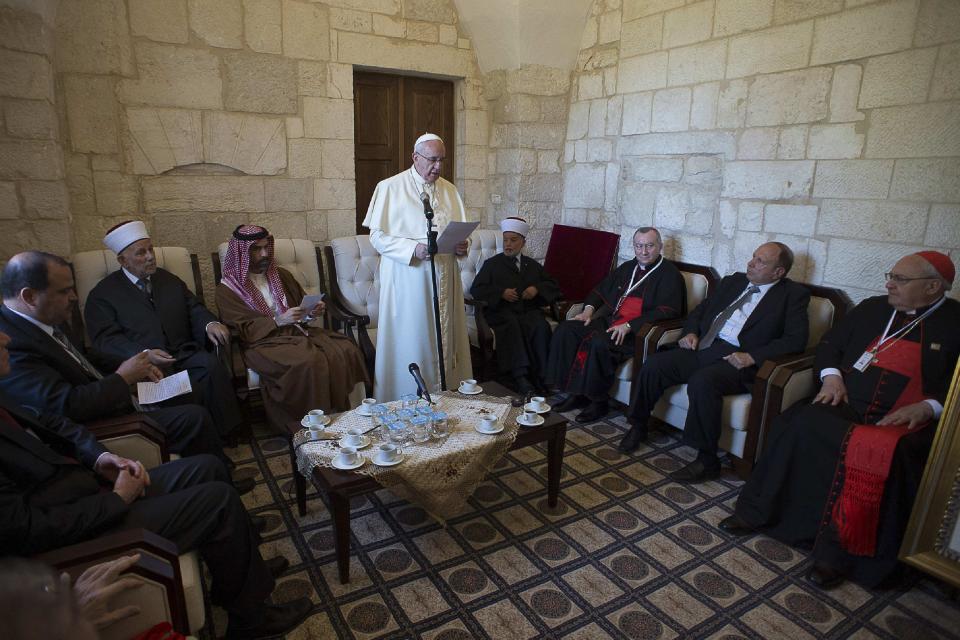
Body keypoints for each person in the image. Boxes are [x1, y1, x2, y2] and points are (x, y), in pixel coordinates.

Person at [0, 331, 310, 638]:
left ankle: (238, 575)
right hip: (81, 529)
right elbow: (24, 530)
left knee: (208, 467)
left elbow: (55, 424)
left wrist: (101, 457)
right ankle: (251, 620)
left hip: (90, 487)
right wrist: (118, 500)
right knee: (218, 502)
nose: (6, 338)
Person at [720, 251, 960, 590]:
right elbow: (830, 346)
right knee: (800, 422)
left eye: (900, 279)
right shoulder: (873, 308)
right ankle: (760, 514)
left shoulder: (955, 324)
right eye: (890, 275)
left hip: (906, 422)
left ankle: (839, 555)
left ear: (934, 286)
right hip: (848, 401)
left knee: (890, 457)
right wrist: (831, 377)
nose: (889, 283)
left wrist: (930, 407)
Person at [0, 251, 233, 467]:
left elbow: (84, 357)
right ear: (29, 296)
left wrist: (138, 364)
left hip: (157, 364)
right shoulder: (12, 343)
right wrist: (124, 377)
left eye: (150, 248)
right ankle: (210, 476)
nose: (73, 297)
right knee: (194, 417)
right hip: (95, 424)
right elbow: (65, 406)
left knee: (193, 390)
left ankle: (213, 462)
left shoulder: (47, 315)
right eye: (64, 291)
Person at [621, 242, 811, 481]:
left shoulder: (793, 296)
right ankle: (639, 424)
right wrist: (690, 332)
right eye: (753, 256)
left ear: (779, 272)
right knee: (655, 364)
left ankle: (706, 460)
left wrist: (753, 356)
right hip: (704, 345)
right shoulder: (734, 281)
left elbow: (795, 340)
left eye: (761, 261)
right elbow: (700, 312)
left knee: (703, 382)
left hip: (739, 358)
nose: (751, 263)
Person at [84, 220, 243, 439]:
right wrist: (143, 355)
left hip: (183, 353)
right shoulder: (102, 295)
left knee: (211, 365)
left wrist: (210, 324)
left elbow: (194, 308)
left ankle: (230, 434)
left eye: (150, 249)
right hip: (146, 367)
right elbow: (105, 340)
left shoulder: (168, 280)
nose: (150, 256)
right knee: (190, 390)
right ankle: (202, 442)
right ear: (123, 260)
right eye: (141, 253)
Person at [216, 225, 369, 427]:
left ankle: (349, 414)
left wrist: (311, 312)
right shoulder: (227, 289)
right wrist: (279, 320)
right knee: (308, 361)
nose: (264, 254)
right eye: (256, 249)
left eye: (265, 248)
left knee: (346, 348)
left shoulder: (281, 275)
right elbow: (243, 330)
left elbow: (299, 311)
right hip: (261, 344)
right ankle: (310, 423)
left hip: (297, 333)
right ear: (241, 253)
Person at [362, 133, 473, 401]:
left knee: (446, 337)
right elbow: (377, 237)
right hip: (408, 278)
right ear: (415, 157)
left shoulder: (449, 189)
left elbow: (457, 231)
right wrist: (413, 249)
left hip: (445, 277)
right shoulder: (389, 187)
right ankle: (409, 398)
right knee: (414, 338)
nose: (437, 166)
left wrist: (461, 246)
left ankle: (449, 397)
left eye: (441, 160)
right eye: (432, 160)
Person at [546, 227, 686, 423]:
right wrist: (588, 310)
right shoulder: (629, 267)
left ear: (660, 247)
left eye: (649, 246)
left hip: (637, 332)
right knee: (567, 330)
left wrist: (630, 325)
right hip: (612, 321)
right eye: (639, 246)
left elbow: (668, 311)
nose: (644, 252)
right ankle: (574, 392)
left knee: (599, 342)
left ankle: (597, 401)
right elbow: (601, 289)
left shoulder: (670, 275)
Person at [469, 217, 560, 394]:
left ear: (523, 242)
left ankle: (543, 377)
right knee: (512, 325)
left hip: (527, 310)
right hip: (500, 312)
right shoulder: (492, 265)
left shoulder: (532, 265)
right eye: (505, 240)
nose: (508, 244)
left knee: (540, 326)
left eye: (513, 240)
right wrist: (501, 293)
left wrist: (536, 289)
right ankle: (520, 377)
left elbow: (553, 286)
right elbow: (477, 289)